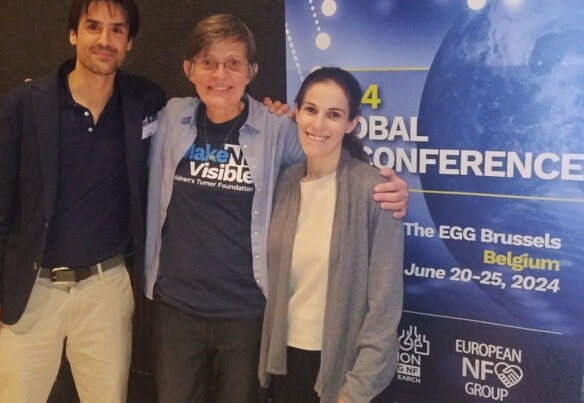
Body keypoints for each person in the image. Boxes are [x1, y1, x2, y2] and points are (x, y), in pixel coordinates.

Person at [145, 14, 408, 403]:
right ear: (189, 69)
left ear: (252, 70)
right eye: (208, 62)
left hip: (248, 315)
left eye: (233, 62)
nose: (220, 74)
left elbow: (328, 149)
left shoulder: (277, 130)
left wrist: (393, 188)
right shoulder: (170, 119)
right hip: (176, 310)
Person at [0, 0, 165, 401]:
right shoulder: (24, 104)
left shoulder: (146, 102)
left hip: (106, 290)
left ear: (130, 41)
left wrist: (270, 115)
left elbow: (204, 116)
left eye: (117, 29)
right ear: (73, 34)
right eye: (93, 26)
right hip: (31, 289)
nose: (105, 39)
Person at [258, 67, 404, 403]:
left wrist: (355, 391)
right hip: (287, 366)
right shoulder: (282, 184)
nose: (318, 124)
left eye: (334, 114)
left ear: (351, 123)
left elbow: (384, 310)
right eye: (310, 110)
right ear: (297, 112)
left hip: (344, 373)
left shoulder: (376, 192)